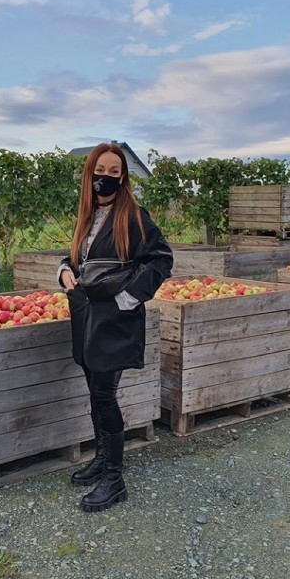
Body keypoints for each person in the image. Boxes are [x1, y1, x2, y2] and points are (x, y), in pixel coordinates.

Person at [58, 142, 173, 512]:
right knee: (95, 391)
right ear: (89, 173)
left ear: (123, 178)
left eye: (113, 172)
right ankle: (102, 458)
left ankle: (115, 478)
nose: (104, 178)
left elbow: (161, 260)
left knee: (105, 395)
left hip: (115, 320)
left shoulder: (134, 216)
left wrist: (130, 298)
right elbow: (76, 258)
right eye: (99, 171)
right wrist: (63, 270)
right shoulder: (87, 216)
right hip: (88, 317)